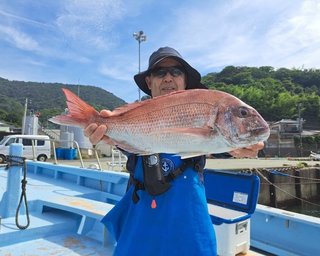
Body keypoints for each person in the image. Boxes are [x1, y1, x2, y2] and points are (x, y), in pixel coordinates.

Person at [84, 47, 264, 256]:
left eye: (176, 71)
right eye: (160, 72)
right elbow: (124, 143)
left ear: (185, 80)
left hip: (190, 229)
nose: (168, 77)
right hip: (140, 227)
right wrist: (103, 133)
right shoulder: (136, 114)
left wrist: (245, 147)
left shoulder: (206, 115)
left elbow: (222, 148)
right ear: (149, 82)